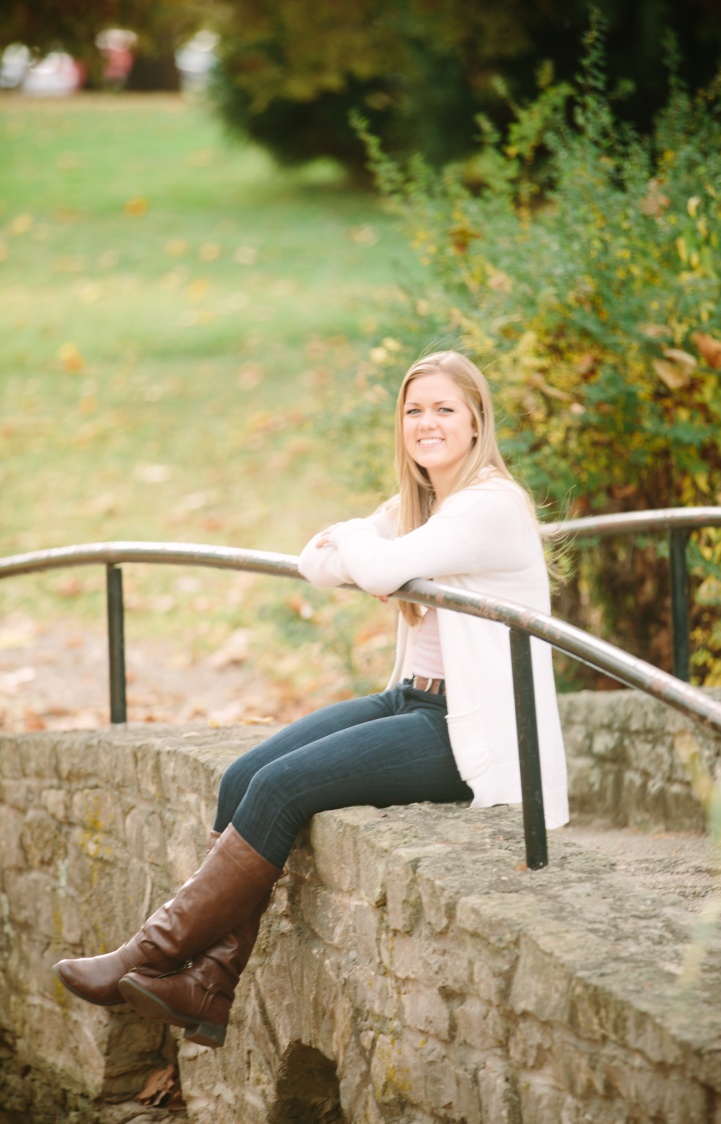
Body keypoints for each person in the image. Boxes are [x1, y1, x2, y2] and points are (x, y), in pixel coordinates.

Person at [54, 350, 569, 1048]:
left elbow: (371, 561)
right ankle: (209, 984)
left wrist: (367, 546)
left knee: (282, 786)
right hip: (411, 703)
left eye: (445, 409)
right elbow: (315, 561)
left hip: (470, 730)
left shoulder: (490, 504)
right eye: (414, 410)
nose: (427, 423)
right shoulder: (422, 506)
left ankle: (147, 955)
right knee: (242, 776)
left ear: (477, 423)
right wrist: (368, 548)